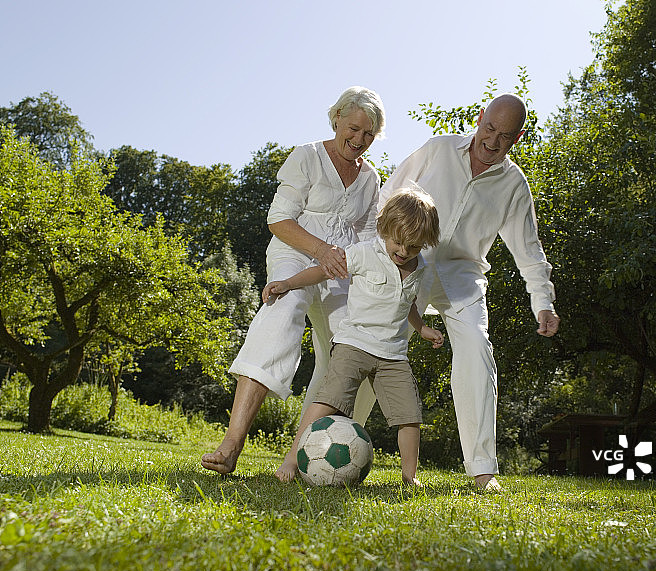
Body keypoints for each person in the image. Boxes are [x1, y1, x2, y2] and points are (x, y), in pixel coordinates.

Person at [373, 94, 561, 491]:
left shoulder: (513, 185)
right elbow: (389, 194)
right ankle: (334, 434)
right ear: (480, 119)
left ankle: (481, 470)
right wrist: (376, 256)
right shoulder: (439, 149)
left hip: (464, 275)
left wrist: (543, 302)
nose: (492, 142)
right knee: (374, 342)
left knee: (477, 346)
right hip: (411, 261)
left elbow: (530, 252)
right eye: (489, 129)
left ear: (517, 138)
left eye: (505, 137)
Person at [201, 86, 386, 475]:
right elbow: (279, 220)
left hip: (341, 268)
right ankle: (233, 443)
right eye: (353, 128)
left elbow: (368, 240)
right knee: (281, 316)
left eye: (369, 134)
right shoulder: (307, 156)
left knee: (351, 346)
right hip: (296, 253)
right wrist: (321, 251)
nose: (359, 140)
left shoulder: (371, 180)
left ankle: (300, 457)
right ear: (336, 118)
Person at [266, 188, 442, 485]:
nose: (403, 251)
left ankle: (409, 477)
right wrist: (287, 283)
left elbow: (407, 303)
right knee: (328, 401)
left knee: (409, 416)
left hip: (393, 354)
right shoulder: (364, 253)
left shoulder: (419, 267)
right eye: (398, 242)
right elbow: (322, 272)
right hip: (353, 344)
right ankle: (292, 461)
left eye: (413, 247)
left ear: (424, 243)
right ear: (385, 228)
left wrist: (421, 328)